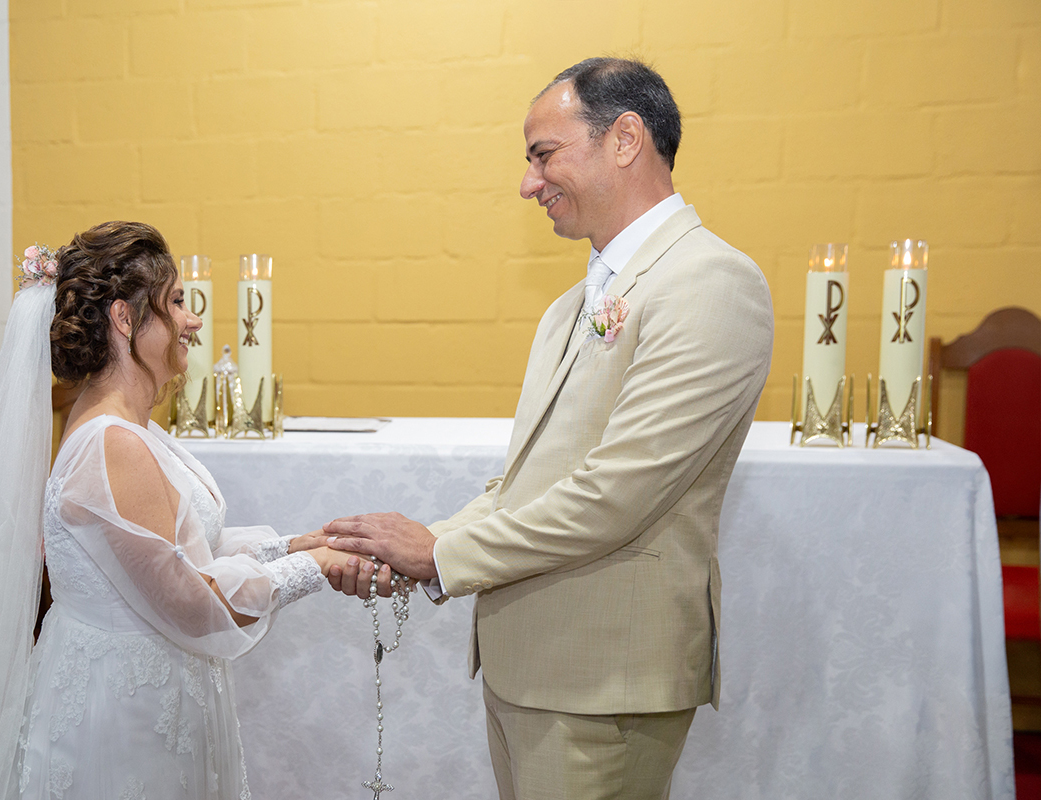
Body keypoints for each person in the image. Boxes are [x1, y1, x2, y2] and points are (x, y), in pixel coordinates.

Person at [324, 57, 775, 800]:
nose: (528, 183)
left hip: (604, 676)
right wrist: (418, 544)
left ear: (625, 138)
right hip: (533, 662)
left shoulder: (710, 281)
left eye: (543, 154)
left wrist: (440, 553)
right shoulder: (571, 305)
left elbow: (617, 494)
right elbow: (526, 480)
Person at [0, 221, 354, 800]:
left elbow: (177, 550)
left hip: (149, 697)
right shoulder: (114, 444)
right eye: (177, 301)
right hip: (124, 717)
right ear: (125, 319)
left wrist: (293, 545)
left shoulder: (129, 428)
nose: (194, 318)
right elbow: (188, 598)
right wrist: (316, 569)